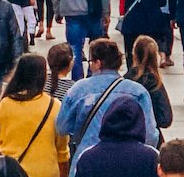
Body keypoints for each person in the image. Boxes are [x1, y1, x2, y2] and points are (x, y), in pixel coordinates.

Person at [55, 35, 160, 165]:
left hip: (87, 159)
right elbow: (150, 135)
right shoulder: (137, 92)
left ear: (97, 63)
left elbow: (61, 127)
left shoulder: (78, 90)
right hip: (127, 161)